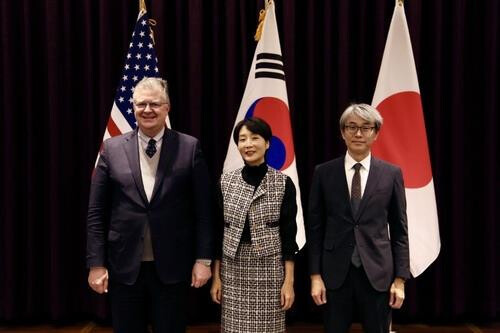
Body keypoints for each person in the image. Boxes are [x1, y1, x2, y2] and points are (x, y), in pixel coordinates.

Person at [86, 77, 213, 333]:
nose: (147, 110)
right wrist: (96, 263)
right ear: (132, 108)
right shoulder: (111, 149)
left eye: (154, 103)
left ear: (167, 107)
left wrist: (204, 259)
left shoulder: (189, 147)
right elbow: (96, 212)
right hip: (124, 267)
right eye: (141, 104)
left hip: (173, 266)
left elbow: (204, 210)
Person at [307, 103, 410, 333]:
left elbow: (400, 230)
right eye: (351, 127)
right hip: (334, 274)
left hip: (378, 274)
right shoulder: (324, 173)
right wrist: (315, 275)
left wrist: (400, 280)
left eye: (366, 127)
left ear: (376, 133)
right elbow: (315, 228)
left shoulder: (391, 173)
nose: (358, 133)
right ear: (342, 132)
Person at [210, 117, 298, 333]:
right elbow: (217, 233)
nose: (248, 144)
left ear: (267, 143)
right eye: (242, 139)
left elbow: (289, 236)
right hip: (233, 270)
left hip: (270, 271)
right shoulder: (225, 182)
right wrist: (216, 278)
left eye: (254, 138)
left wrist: (288, 282)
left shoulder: (282, 182)